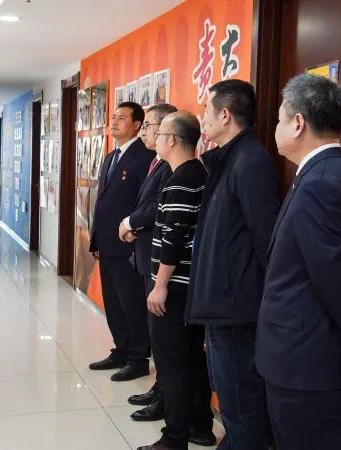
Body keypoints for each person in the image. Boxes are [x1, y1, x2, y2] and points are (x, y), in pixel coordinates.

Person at [256, 74, 341, 450]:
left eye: (280, 119)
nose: (276, 128)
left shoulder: (318, 183)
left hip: (307, 367)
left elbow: (338, 282)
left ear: (298, 123)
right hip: (321, 361)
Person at [185, 79, 279, 450]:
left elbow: (266, 242)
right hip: (220, 306)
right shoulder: (226, 160)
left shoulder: (251, 162)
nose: (202, 118)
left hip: (237, 309)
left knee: (242, 406)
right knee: (231, 399)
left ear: (225, 115)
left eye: (206, 111)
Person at [137, 111, 212, 450]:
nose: (154, 138)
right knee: (192, 360)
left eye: (159, 132)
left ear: (173, 139)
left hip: (175, 288)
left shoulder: (183, 179)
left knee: (173, 364)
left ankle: (175, 437)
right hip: (188, 287)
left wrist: (160, 285)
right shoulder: (194, 173)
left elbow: (174, 237)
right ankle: (199, 425)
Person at [118, 104, 176, 422]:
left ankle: (166, 398)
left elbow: (157, 208)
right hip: (145, 255)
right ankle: (159, 388)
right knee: (156, 332)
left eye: (150, 125)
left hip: (161, 262)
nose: (144, 132)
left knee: (164, 336)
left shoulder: (172, 167)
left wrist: (130, 223)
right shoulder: (155, 161)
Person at [89, 102, 155, 381]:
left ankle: (138, 358)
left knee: (132, 304)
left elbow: (146, 203)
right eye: (113, 117)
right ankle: (121, 350)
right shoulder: (110, 156)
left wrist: (134, 232)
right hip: (107, 244)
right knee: (113, 304)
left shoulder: (145, 157)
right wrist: (95, 240)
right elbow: (102, 203)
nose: (114, 122)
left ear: (137, 125)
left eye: (122, 118)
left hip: (129, 245)